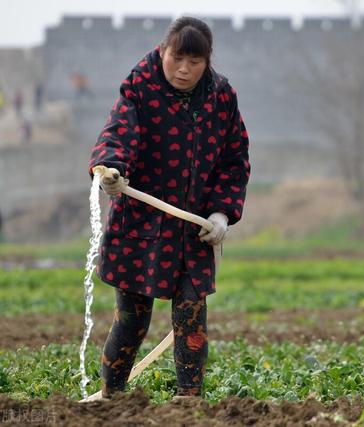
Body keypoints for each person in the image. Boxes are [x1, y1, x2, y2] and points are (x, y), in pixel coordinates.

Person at [88, 16, 250, 400]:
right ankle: (112, 397)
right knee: (132, 321)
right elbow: (118, 133)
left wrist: (221, 213)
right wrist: (111, 169)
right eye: (177, 58)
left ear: (207, 61)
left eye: (195, 62)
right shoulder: (140, 87)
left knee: (191, 316)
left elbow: (235, 159)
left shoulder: (221, 96)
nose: (184, 70)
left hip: (193, 228)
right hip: (139, 225)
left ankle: (187, 402)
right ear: (164, 51)